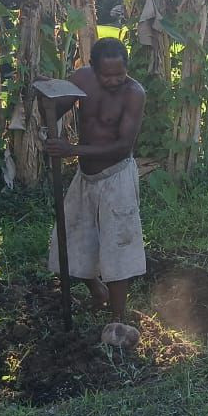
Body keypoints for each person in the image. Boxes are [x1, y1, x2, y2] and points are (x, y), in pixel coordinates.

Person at [42, 37, 146, 323]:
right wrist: (47, 94)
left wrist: (71, 150)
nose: (114, 81)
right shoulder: (82, 80)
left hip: (117, 177)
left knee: (118, 247)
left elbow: (123, 145)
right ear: (92, 68)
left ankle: (118, 318)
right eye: (106, 75)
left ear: (127, 68)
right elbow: (52, 109)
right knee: (75, 239)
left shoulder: (134, 93)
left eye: (120, 74)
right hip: (86, 177)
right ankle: (97, 291)